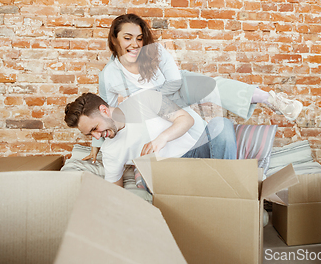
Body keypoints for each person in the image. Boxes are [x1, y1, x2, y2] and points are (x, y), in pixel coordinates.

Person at [88, 13, 303, 161]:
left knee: (215, 85)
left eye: (139, 39)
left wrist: (154, 101)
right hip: (160, 110)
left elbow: (174, 81)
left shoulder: (155, 52)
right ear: (114, 39)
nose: (135, 44)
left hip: (175, 89)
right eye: (127, 38)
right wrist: (97, 148)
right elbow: (108, 112)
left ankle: (271, 99)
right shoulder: (109, 75)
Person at [64, 92, 237, 187]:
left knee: (221, 124)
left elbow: (186, 119)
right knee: (150, 181)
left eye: (95, 128)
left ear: (104, 110)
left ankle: (230, 191)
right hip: (168, 175)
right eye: (90, 134)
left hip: (197, 155)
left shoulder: (144, 100)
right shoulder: (110, 151)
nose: (96, 137)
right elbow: (115, 189)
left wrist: (162, 138)